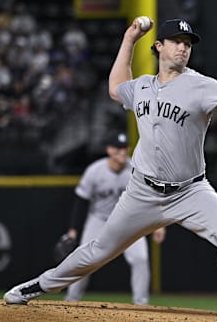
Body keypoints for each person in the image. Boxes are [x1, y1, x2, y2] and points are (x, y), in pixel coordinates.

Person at [3, 17, 217, 322]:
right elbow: (116, 88)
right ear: (159, 46)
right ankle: (39, 285)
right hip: (142, 192)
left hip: (190, 191)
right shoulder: (143, 86)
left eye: (187, 44)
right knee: (98, 251)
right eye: (176, 42)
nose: (183, 48)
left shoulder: (203, 86)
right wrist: (129, 39)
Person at [64, 131, 166, 305]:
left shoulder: (136, 169)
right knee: (84, 260)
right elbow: (81, 202)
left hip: (129, 221)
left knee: (140, 259)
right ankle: (71, 302)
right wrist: (73, 231)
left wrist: (159, 225)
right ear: (109, 150)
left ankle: (142, 305)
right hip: (99, 220)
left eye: (124, 148)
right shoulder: (94, 171)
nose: (122, 152)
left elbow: (151, 196)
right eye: (118, 148)